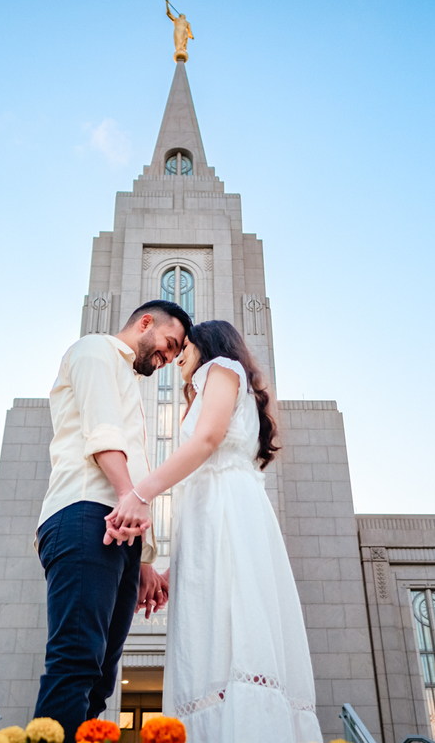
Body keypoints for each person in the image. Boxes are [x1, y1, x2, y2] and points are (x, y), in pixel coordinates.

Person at [106, 320, 323, 742]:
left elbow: (207, 439)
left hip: (229, 509)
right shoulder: (207, 385)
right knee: (212, 640)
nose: (178, 359)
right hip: (213, 516)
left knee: (236, 631)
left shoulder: (221, 368)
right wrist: (176, 572)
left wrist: (140, 494)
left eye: (184, 348)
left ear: (206, 346)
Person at [33, 299, 192, 739]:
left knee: (102, 679)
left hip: (118, 531)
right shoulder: (95, 350)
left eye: (174, 354)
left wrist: (143, 562)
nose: (166, 358)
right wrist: (127, 494)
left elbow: (132, 462)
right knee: (75, 661)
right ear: (146, 323)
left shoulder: (126, 378)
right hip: (85, 514)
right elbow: (102, 430)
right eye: (168, 344)